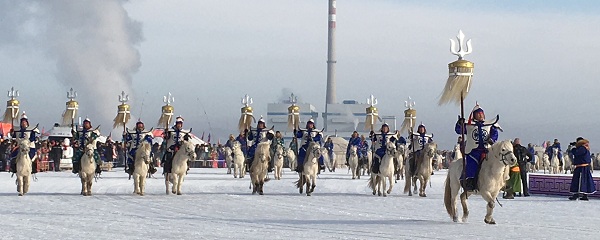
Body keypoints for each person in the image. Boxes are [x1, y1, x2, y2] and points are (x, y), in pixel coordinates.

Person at [455, 104, 500, 192]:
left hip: (487, 150)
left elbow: (495, 133)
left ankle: (501, 181)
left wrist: (492, 139)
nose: (480, 115)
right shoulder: (468, 125)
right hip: (473, 151)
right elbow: (458, 130)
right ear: (474, 115)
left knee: (498, 162)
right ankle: (470, 182)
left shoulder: (489, 124)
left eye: (481, 114)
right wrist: (459, 123)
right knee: (472, 165)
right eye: (478, 114)